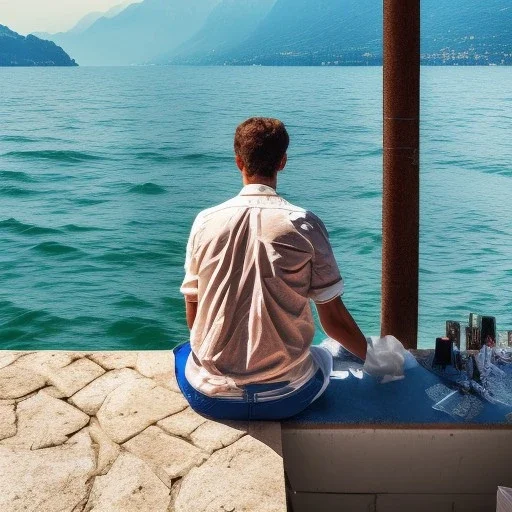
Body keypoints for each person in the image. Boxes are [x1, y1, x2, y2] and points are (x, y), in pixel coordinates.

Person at [174, 117, 368, 420]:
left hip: (211, 397)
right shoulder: (304, 224)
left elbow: (194, 314)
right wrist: (376, 360)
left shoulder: (205, 221)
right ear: (283, 162)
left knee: (184, 351)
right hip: (286, 397)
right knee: (325, 354)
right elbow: (335, 322)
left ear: (238, 161)